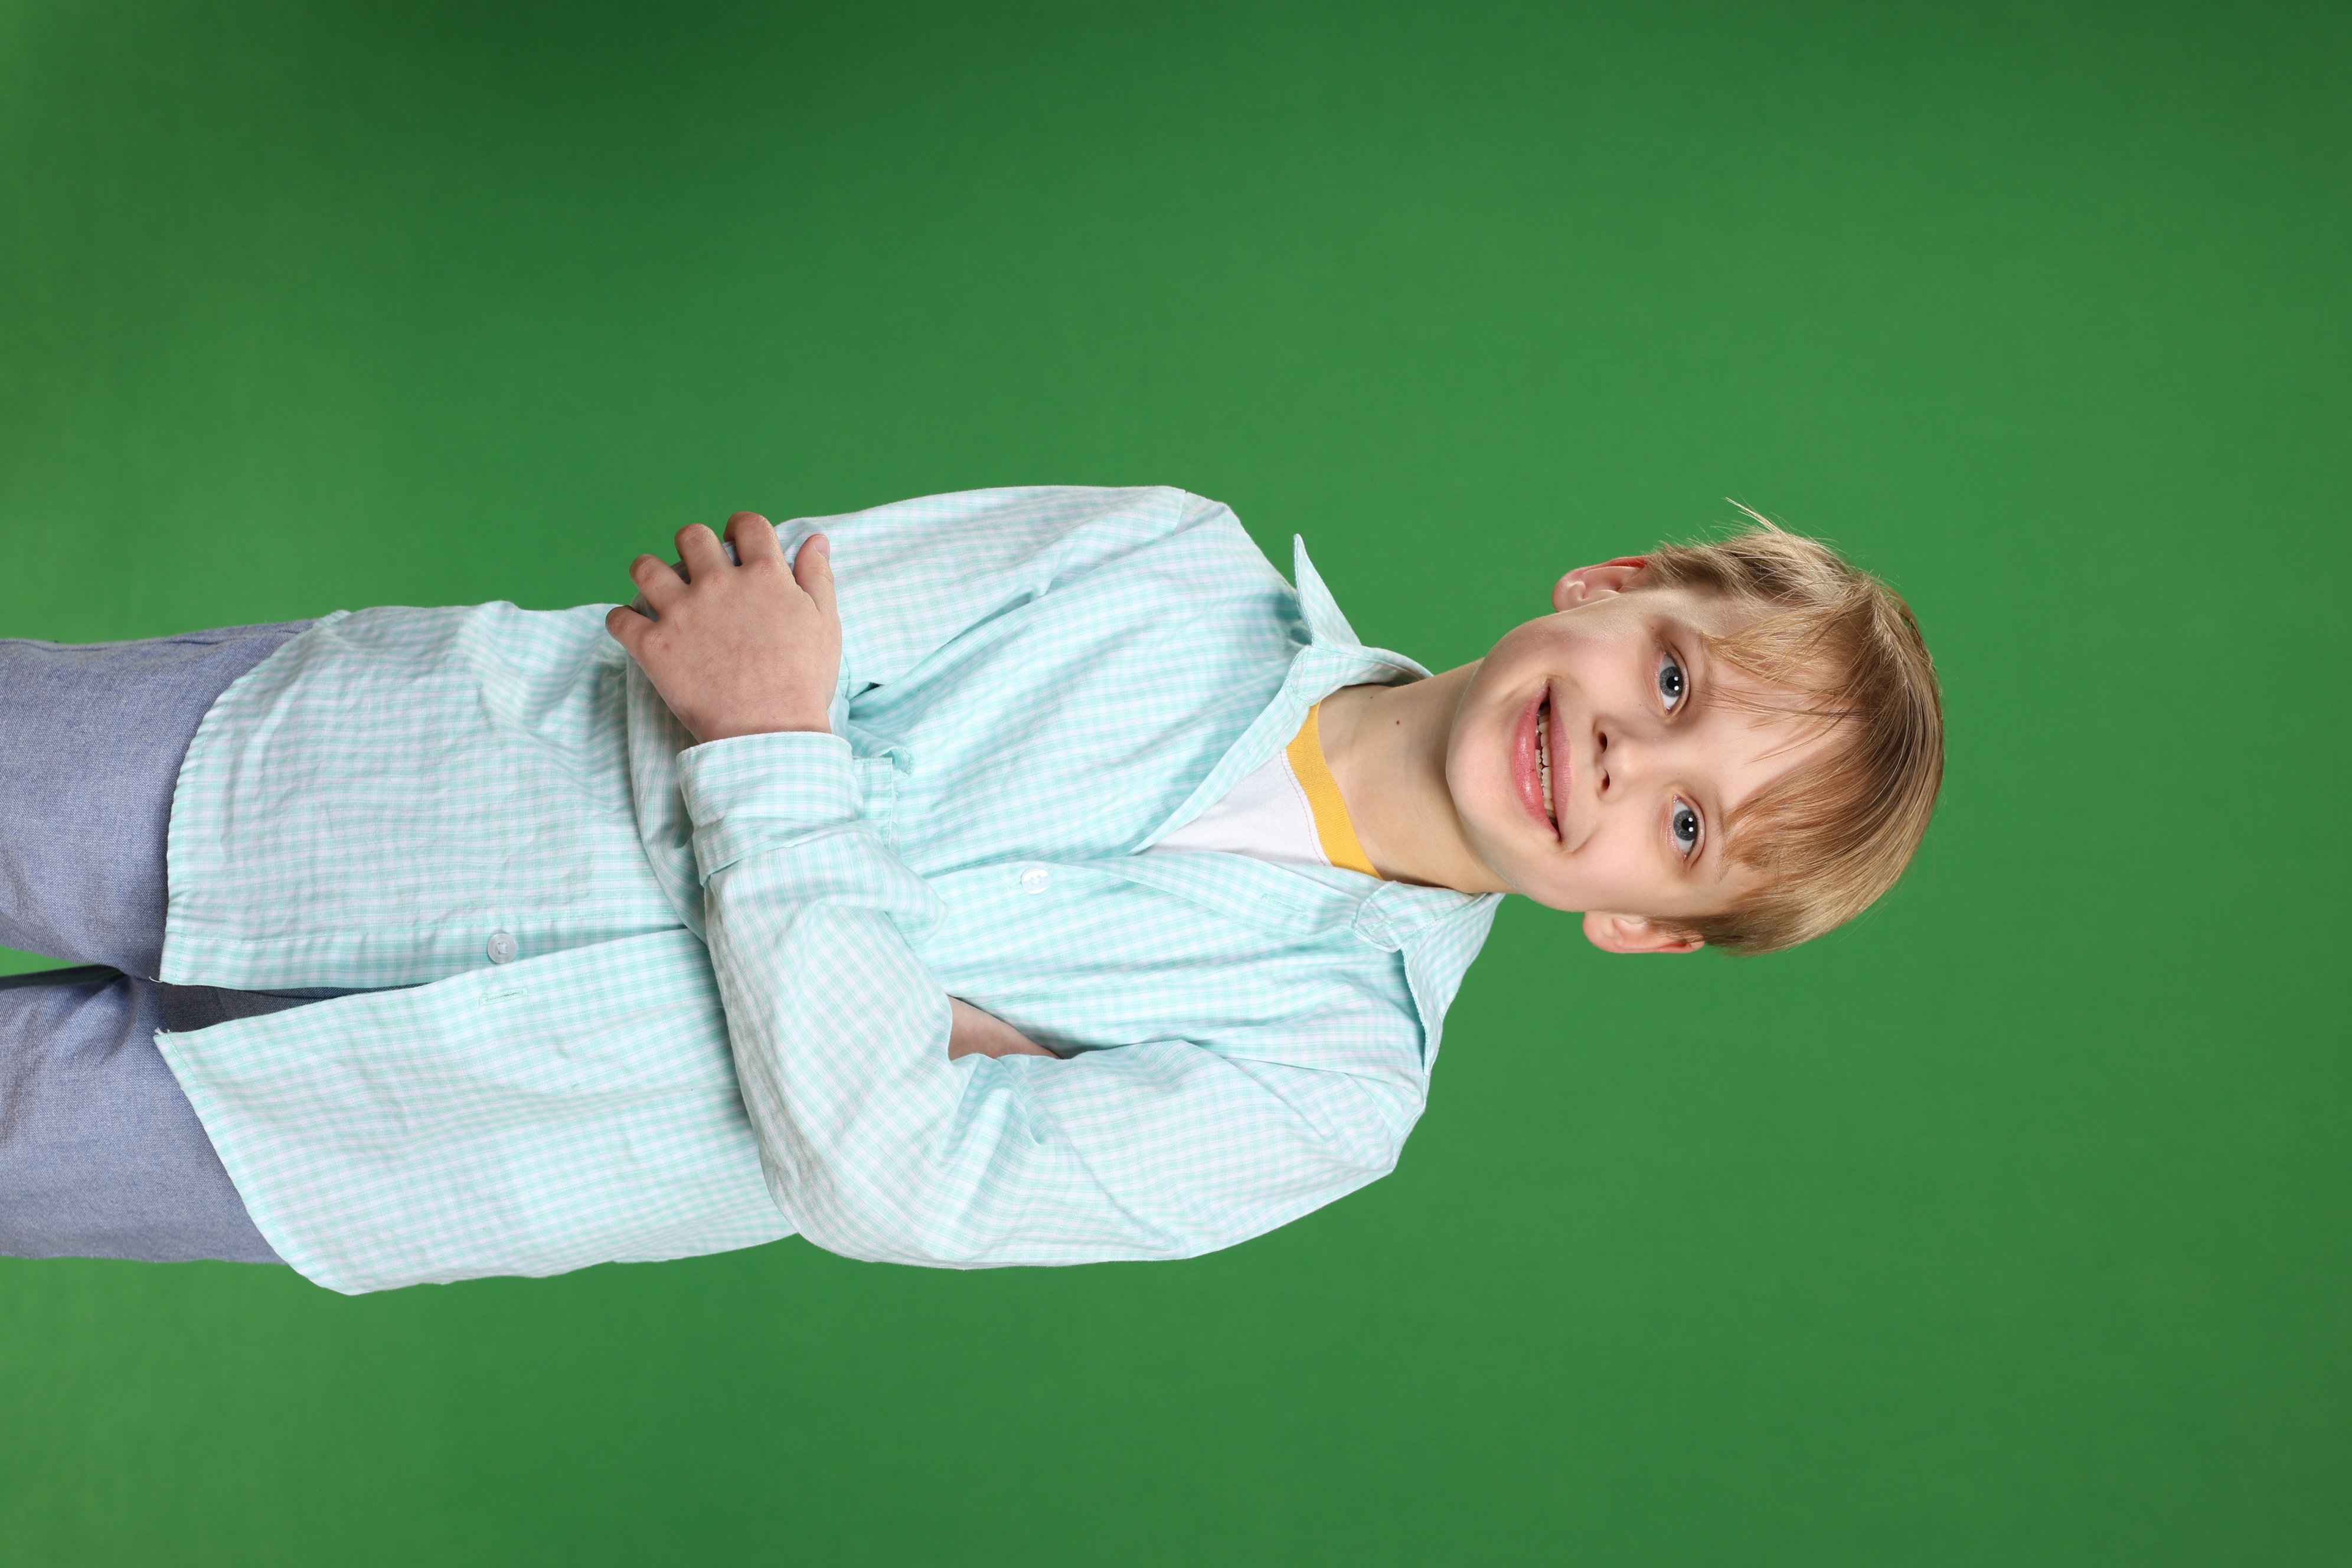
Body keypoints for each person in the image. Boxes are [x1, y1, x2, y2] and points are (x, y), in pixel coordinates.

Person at [0, 486, 1942, 1292]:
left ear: (1641, 925)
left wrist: (792, 763)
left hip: (397, 1147)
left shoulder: (1332, 1092)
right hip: (343, 773)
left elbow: (896, 1186)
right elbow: (739, 637)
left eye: (1687, 830)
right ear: (1617, 590)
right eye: (1671, 684)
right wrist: (883, 1004)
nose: (1622, 762)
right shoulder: (1166, 561)